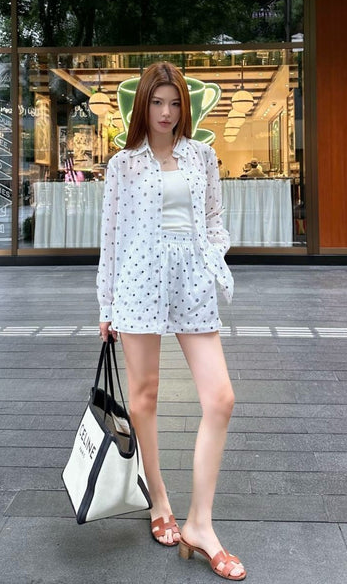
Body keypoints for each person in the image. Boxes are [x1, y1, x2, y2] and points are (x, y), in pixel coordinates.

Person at [97, 62, 246, 581]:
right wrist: (106, 305)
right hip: (137, 281)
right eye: (158, 102)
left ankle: (200, 524)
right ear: (143, 105)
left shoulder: (201, 155)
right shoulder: (123, 165)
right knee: (144, 397)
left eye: (175, 102)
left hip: (192, 278)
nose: (166, 112)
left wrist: (210, 258)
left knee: (221, 398)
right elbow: (111, 239)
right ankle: (159, 499)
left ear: (186, 107)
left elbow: (213, 219)